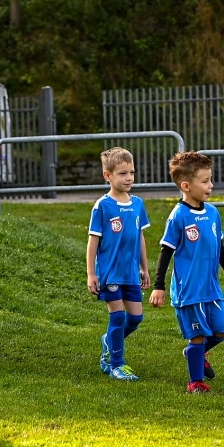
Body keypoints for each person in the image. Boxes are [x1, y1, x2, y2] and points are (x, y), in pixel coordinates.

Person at [150, 151, 224, 394]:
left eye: (210, 179)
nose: (210, 186)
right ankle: (195, 382)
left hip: (211, 288)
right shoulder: (178, 216)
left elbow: (219, 247)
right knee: (198, 336)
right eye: (204, 181)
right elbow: (165, 251)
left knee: (221, 331)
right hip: (189, 291)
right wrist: (158, 286)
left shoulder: (212, 213)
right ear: (186, 186)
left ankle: (195, 354)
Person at [86, 147, 150, 381]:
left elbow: (140, 237)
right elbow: (93, 242)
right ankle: (116, 365)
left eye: (131, 172)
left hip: (131, 272)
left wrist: (144, 267)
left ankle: (109, 341)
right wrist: (92, 274)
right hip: (110, 274)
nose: (129, 178)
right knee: (118, 317)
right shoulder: (102, 206)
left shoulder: (138, 204)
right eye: (122, 173)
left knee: (135, 319)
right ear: (108, 176)